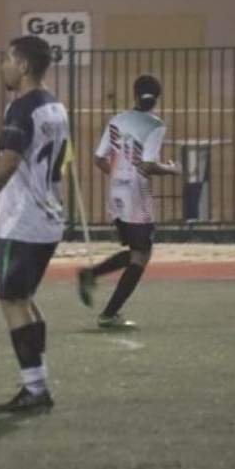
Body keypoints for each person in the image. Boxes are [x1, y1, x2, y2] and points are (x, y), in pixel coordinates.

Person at [0, 36, 70, 414]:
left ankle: (36, 388)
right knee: (24, 298)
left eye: (7, 59)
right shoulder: (55, 106)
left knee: (11, 300)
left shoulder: (21, 108)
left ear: (22, 66)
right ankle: (38, 382)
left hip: (23, 223)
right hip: (48, 217)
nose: (2, 66)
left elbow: (8, 161)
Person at [77, 74, 180, 328]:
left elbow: (99, 159)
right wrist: (171, 169)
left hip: (116, 192)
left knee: (136, 251)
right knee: (141, 256)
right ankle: (108, 314)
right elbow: (147, 165)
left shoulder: (117, 121)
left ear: (134, 94)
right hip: (136, 195)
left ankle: (91, 274)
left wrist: (118, 175)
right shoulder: (155, 125)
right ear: (157, 98)